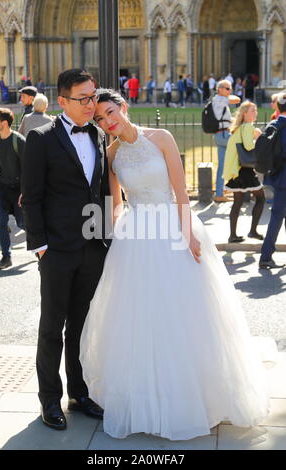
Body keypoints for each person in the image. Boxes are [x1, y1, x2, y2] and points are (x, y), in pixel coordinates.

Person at [79, 88, 271, 441]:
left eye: (111, 113)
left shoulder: (162, 137)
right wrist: (115, 233)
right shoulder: (112, 154)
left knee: (186, 311)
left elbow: (182, 193)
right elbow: (117, 203)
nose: (108, 122)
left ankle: (201, 395)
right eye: (101, 119)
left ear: (124, 107)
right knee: (139, 316)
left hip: (171, 226)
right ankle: (145, 396)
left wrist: (189, 235)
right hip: (136, 237)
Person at [21, 69, 110, 431]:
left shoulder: (100, 135)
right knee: (51, 328)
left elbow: (101, 191)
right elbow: (33, 197)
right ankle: (49, 400)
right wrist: (41, 247)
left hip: (93, 248)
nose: (92, 105)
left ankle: (79, 392)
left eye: (94, 97)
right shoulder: (40, 139)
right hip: (56, 250)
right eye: (84, 99)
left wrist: (104, 240)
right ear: (63, 101)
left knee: (81, 326)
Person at [0, 108, 26, 269]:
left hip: (18, 189)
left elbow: (27, 168)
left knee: (23, 224)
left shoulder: (19, 140)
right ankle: (6, 257)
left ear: (4, 122)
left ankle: (40, 250)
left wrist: (25, 191)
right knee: (1, 222)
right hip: (2, 189)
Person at [223, 101, 265, 243]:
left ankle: (232, 235)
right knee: (261, 198)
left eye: (255, 110)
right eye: (252, 110)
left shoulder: (237, 128)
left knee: (237, 203)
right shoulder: (248, 127)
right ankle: (252, 231)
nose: (255, 113)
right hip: (245, 170)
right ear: (244, 113)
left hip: (236, 170)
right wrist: (258, 136)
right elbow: (248, 146)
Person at [259, 92, 286, 269]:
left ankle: (266, 256)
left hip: (277, 176)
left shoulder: (273, 124)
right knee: (276, 217)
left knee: (277, 216)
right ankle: (266, 256)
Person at [212, 80, 241, 202]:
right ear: (219, 89)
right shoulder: (219, 99)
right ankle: (240, 188)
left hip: (220, 135)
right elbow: (237, 99)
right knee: (242, 155)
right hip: (224, 136)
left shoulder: (219, 101)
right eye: (227, 89)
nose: (230, 91)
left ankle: (219, 194)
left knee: (222, 166)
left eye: (230, 89)